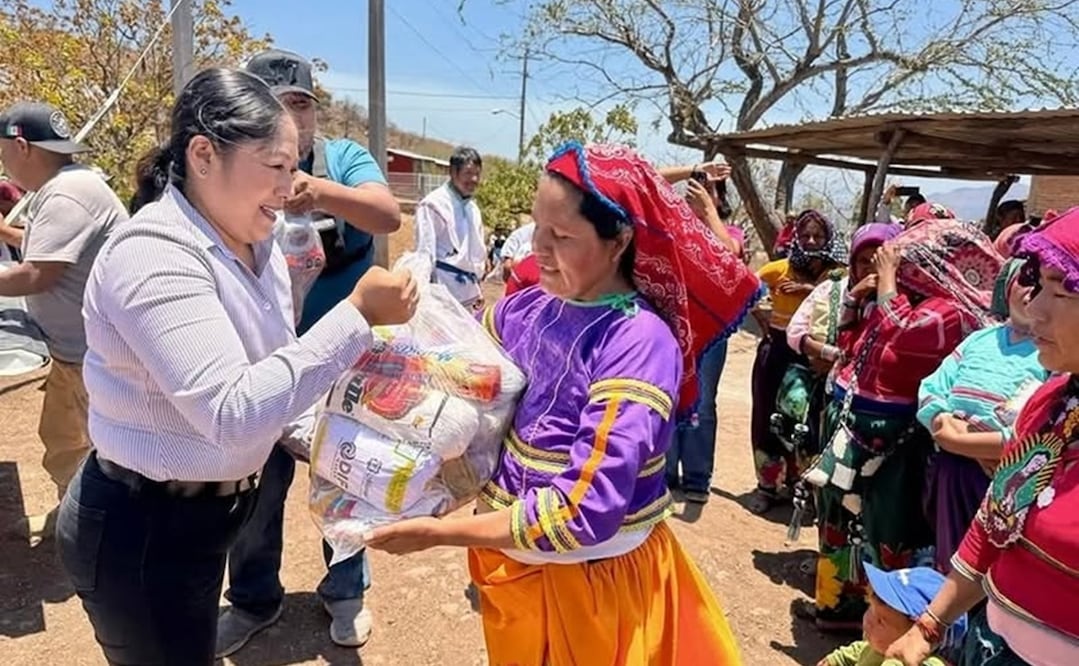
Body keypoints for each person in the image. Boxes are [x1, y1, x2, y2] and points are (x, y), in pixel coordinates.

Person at [54, 68, 418, 666]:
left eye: (293, 167)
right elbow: (231, 412)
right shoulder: (152, 254)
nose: (289, 187)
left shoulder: (261, 241)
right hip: (142, 530)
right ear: (203, 155)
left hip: (208, 517)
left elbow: (273, 366)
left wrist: (360, 447)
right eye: (275, 166)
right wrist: (357, 316)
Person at [363, 142, 758, 665]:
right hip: (513, 569)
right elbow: (458, 379)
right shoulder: (526, 308)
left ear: (619, 241)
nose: (539, 250)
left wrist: (439, 533)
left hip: (594, 588)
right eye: (537, 228)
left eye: (563, 236)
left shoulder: (637, 343)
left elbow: (584, 510)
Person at [214, 49, 403, 656]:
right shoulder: (237, 172)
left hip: (344, 362)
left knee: (343, 478)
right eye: (274, 107)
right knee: (255, 489)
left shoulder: (343, 159)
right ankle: (252, 599)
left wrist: (318, 191)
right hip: (264, 360)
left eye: (299, 105)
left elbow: (387, 214)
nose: (290, 119)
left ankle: (345, 592)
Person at [887, 209, 1079, 666]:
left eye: (1060, 291)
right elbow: (994, 524)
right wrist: (929, 626)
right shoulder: (1052, 405)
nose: (1035, 309)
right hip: (993, 647)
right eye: (1036, 285)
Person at [806, 212, 1000, 633]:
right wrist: (855, 299)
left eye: (913, 258)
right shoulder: (909, 298)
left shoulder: (950, 312)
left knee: (888, 529)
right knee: (847, 520)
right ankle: (841, 607)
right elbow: (850, 344)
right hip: (861, 432)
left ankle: (886, 625)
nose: (900, 264)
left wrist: (888, 282)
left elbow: (903, 334)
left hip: (900, 443)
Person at [0, 102, 127, 531]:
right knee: (64, 441)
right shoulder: (66, 185)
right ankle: (72, 519)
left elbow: (37, 274)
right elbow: (45, 247)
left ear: (21, 146)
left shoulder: (67, 194)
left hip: (95, 357)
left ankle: (94, 534)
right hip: (75, 353)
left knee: (99, 453)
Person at [917, 258, 1049, 573]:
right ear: (1007, 288)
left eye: (1042, 285)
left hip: (1008, 477)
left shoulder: (1053, 351)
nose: (1032, 291)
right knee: (952, 559)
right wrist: (941, 421)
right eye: (1025, 280)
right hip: (953, 470)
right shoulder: (979, 339)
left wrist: (972, 443)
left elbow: (1047, 421)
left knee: (995, 564)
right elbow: (934, 386)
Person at [783, 223, 902, 497]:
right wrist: (830, 352)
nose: (871, 269)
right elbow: (795, 333)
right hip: (834, 398)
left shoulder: (904, 302)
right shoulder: (832, 289)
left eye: (878, 261)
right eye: (863, 261)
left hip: (883, 416)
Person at [659, 161, 742, 503]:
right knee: (668, 396)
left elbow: (729, 255)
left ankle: (697, 477)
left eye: (710, 189)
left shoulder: (730, 231)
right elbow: (645, 178)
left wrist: (709, 212)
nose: (701, 192)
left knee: (703, 402)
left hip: (710, 333)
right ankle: (664, 474)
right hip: (670, 326)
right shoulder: (672, 225)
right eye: (697, 186)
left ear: (720, 199)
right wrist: (693, 168)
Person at [751, 209, 844, 513]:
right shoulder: (781, 268)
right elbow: (746, 287)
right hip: (777, 352)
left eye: (818, 235)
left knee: (807, 422)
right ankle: (767, 486)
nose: (812, 241)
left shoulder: (838, 273)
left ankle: (800, 486)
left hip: (816, 358)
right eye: (805, 235)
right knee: (768, 417)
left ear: (829, 237)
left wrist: (809, 290)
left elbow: (847, 298)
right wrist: (763, 322)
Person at [819, 564, 967, 666]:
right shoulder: (880, 644)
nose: (868, 620)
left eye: (881, 621)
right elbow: (863, 650)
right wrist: (838, 659)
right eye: (870, 607)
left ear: (915, 636)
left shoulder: (926, 663)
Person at [414, 146, 486, 308]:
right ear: (453, 172)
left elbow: (476, 253)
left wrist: (477, 287)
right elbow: (424, 252)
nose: (474, 179)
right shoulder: (434, 205)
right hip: (442, 292)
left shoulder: (473, 209)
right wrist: (424, 293)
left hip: (468, 294)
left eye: (477, 174)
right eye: (468, 173)